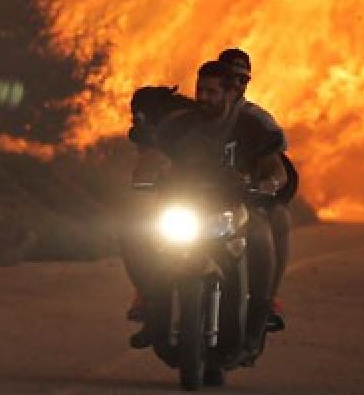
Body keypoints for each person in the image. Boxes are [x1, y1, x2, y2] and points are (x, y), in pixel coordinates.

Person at [125, 60, 288, 351]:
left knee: (262, 239)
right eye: (200, 90)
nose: (204, 98)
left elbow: (277, 170)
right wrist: (146, 176)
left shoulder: (252, 124)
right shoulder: (178, 124)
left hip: (237, 206)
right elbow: (156, 157)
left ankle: (257, 323)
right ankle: (152, 308)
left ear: (229, 94)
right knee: (134, 233)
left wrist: (268, 185)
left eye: (212, 92)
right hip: (187, 205)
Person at [217, 48, 292, 331]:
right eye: (228, 78)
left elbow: (277, 170)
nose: (235, 85)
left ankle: (265, 302)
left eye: (241, 79)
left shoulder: (257, 121)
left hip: (242, 203)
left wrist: (265, 186)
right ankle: (151, 297)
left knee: (268, 230)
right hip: (196, 202)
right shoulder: (192, 117)